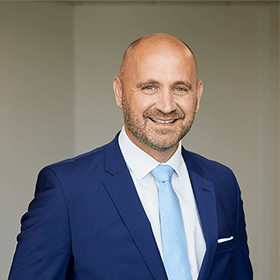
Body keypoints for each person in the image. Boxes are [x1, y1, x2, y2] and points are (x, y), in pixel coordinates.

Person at [8, 33, 253, 280]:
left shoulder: (222, 183)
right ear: (119, 92)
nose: (166, 106)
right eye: (149, 87)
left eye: (180, 88)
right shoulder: (67, 190)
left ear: (197, 96)